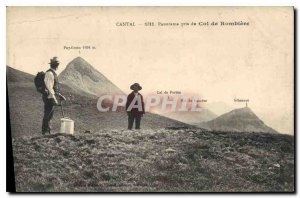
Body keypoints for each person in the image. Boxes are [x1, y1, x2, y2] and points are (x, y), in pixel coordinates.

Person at [42, 57, 66, 135]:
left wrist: (59, 95)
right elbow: (49, 87)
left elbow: (54, 87)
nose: (58, 66)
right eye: (57, 64)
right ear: (56, 65)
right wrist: (53, 98)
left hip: (51, 96)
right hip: (49, 97)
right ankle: (45, 132)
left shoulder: (53, 73)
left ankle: (47, 131)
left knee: (49, 115)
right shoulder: (50, 73)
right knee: (48, 114)